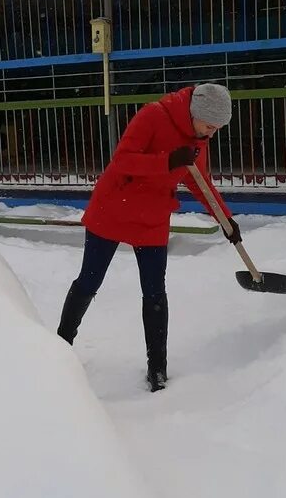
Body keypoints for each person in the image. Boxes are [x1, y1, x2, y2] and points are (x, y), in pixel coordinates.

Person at [57, 82, 242, 392]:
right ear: (196, 113)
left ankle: (157, 367)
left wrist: (225, 218)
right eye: (210, 126)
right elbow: (123, 160)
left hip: (153, 216)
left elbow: (199, 181)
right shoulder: (153, 115)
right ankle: (59, 347)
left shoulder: (200, 139)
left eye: (217, 129)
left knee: (155, 292)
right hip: (114, 207)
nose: (212, 134)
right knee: (89, 280)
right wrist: (167, 161)